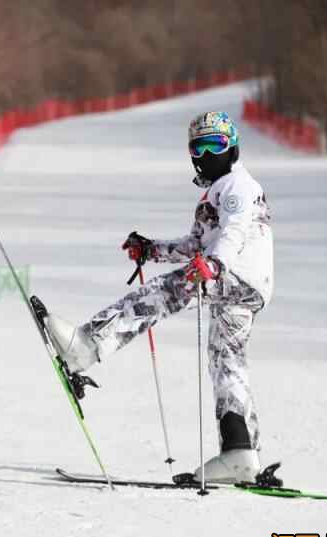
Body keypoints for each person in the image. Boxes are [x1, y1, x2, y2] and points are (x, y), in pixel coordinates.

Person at [47, 111, 273, 483]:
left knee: (167, 291)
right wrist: (151, 249)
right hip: (248, 283)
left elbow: (232, 234)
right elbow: (197, 244)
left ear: (232, 146)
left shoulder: (236, 187)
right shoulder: (219, 189)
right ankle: (241, 453)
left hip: (235, 273)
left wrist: (213, 266)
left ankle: (87, 345)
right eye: (197, 147)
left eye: (214, 144)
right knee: (226, 361)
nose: (205, 154)